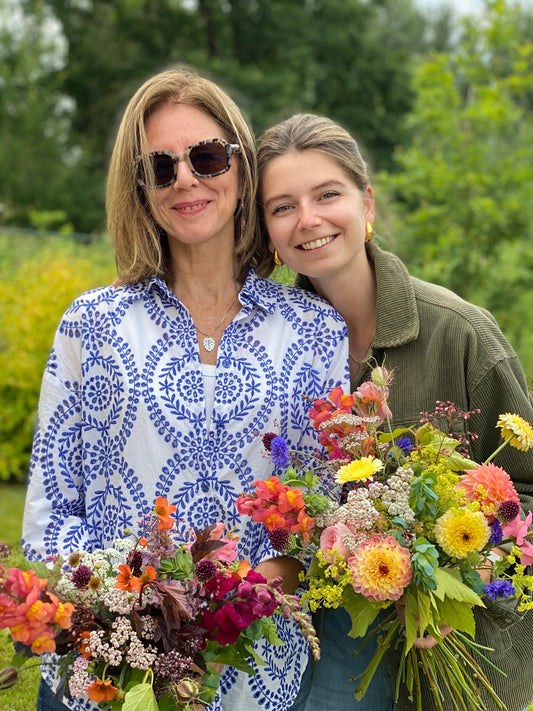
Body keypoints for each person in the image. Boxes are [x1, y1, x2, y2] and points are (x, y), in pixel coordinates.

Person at [22, 75, 349, 711]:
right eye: (160, 166)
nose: (186, 180)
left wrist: (234, 598)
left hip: (259, 670)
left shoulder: (314, 329)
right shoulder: (92, 324)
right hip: (113, 671)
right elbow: (51, 509)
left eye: (206, 156)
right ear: (139, 187)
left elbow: (325, 518)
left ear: (242, 168)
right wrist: (122, 609)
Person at [256, 112, 533, 711]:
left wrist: (452, 555)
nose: (308, 219)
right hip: (328, 649)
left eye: (327, 194)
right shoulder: (267, 348)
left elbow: (528, 488)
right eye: (282, 206)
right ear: (269, 232)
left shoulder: (459, 332)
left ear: (367, 205)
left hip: (461, 653)